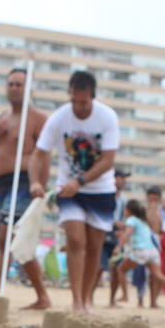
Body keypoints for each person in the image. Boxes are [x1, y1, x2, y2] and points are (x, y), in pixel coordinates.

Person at [29, 71, 120, 313]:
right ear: (69, 95)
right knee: (75, 240)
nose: (78, 107)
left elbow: (108, 160)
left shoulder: (107, 116)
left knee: (93, 246)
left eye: (84, 102)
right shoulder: (58, 118)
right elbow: (39, 153)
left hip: (101, 190)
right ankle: (77, 300)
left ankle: (87, 298)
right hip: (69, 190)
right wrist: (35, 181)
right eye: (74, 101)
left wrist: (80, 181)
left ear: (92, 97)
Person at [0, 67, 50, 309]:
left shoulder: (37, 118)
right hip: (0, 183)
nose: (14, 88)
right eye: (10, 84)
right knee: (13, 241)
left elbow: (44, 155)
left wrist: (39, 184)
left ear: (29, 88)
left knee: (8, 235)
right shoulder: (3, 116)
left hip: (23, 181)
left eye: (19, 84)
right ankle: (38, 296)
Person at [109, 199, 165, 307]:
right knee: (159, 276)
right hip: (152, 251)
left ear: (129, 211)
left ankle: (125, 295)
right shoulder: (143, 222)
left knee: (120, 269)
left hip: (140, 251)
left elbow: (128, 234)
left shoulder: (131, 220)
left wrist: (118, 247)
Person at [94, 170, 129, 302]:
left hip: (117, 236)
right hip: (103, 233)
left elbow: (125, 219)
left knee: (116, 268)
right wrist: (114, 223)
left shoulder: (124, 199)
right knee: (98, 267)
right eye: (121, 177)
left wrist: (122, 229)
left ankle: (112, 300)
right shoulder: (105, 194)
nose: (124, 180)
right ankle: (88, 297)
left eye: (124, 178)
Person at [145, 185, 165, 307]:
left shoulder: (163, 212)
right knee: (146, 274)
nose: (153, 201)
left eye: (156, 199)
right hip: (145, 242)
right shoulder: (145, 210)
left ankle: (154, 301)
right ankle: (144, 300)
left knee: (156, 274)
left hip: (159, 244)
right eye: (151, 198)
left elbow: (161, 228)